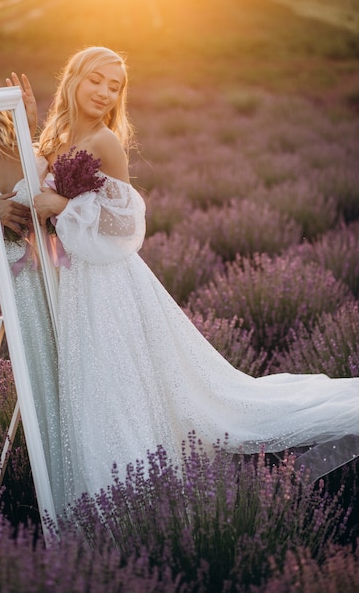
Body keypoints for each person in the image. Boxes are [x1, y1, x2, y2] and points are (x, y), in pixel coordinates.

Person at [26, 46, 359, 507]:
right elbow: (37, 179)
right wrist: (26, 128)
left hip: (108, 282)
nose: (104, 92)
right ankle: (117, 497)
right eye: (95, 80)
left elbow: (125, 225)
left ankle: (130, 500)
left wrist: (62, 208)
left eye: (115, 86)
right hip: (80, 281)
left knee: (114, 384)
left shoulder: (105, 142)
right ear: (74, 79)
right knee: (100, 386)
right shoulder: (60, 135)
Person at [0, 102, 64, 510]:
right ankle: (54, 483)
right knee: (43, 371)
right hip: (26, 287)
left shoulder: (38, 152)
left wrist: (31, 130)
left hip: (59, 279)